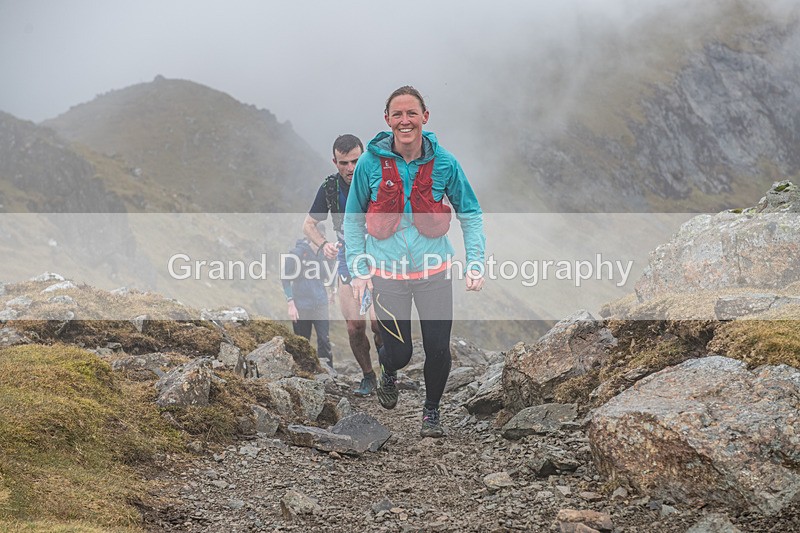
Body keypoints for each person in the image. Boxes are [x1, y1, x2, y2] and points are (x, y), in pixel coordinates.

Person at [344, 86, 485, 438]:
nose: (405, 121)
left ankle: (432, 412)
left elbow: (471, 213)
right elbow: (352, 219)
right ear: (387, 119)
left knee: (438, 347)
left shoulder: (446, 163)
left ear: (425, 117)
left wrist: (476, 262)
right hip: (387, 275)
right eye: (398, 114)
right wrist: (359, 270)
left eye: (411, 113)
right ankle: (389, 368)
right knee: (401, 353)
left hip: (434, 273)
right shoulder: (369, 164)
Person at [303, 134, 383, 395]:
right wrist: (323, 244)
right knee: (354, 325)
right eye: (344, 163)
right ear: (334, 161)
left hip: (379, 255)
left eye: (356, 162)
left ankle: (389, 375)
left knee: (379, 324)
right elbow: (309, 224)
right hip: (347, 258)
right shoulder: (329, 188)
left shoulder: (378, 180)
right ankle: (368, 376)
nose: (350, 169)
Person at [280, 235, 334, 371]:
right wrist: (291, 304)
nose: (321, 244)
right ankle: (304, 373)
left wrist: (333, 290)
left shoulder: (324, 253)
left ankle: (327, 372)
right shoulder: (296, 254)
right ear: (311, 238)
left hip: (320, 303)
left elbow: (330, 272)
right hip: (301, 304)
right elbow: (285, 278)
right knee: (302, 341)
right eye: (319, 240)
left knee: (324, 340)